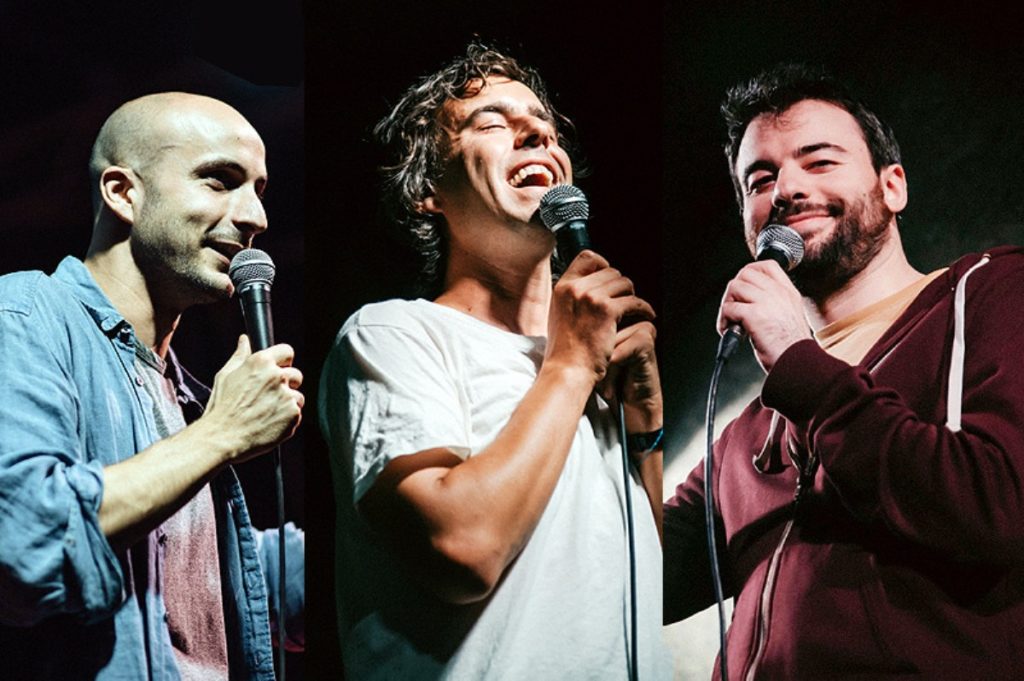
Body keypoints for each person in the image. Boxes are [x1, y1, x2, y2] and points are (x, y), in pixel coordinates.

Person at [319, 44, 671, 679]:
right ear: (430, 191)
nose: (536, 130)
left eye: (544, 124)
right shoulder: (393, 334)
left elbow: (636, 580)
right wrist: (567, 367)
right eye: (491, 122)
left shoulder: (587, 353)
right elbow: (463, 549)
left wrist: (645, 424)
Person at [664, 63, 1024, 679]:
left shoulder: (989, 292)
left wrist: (799, 365)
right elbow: (634, 584)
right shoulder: (745, 433)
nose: (785, 190)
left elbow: (996, 509)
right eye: (760, 178)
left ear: (893, 187)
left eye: (820, 161)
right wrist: (619, 418)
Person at [0, 92, 305, 680]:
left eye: (258, 191)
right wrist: (223, 434)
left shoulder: (182, 390)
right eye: (220, 181)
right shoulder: (22, 317)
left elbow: (198, 589)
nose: (255, 218)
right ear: (123, 194)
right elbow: (22, 537)